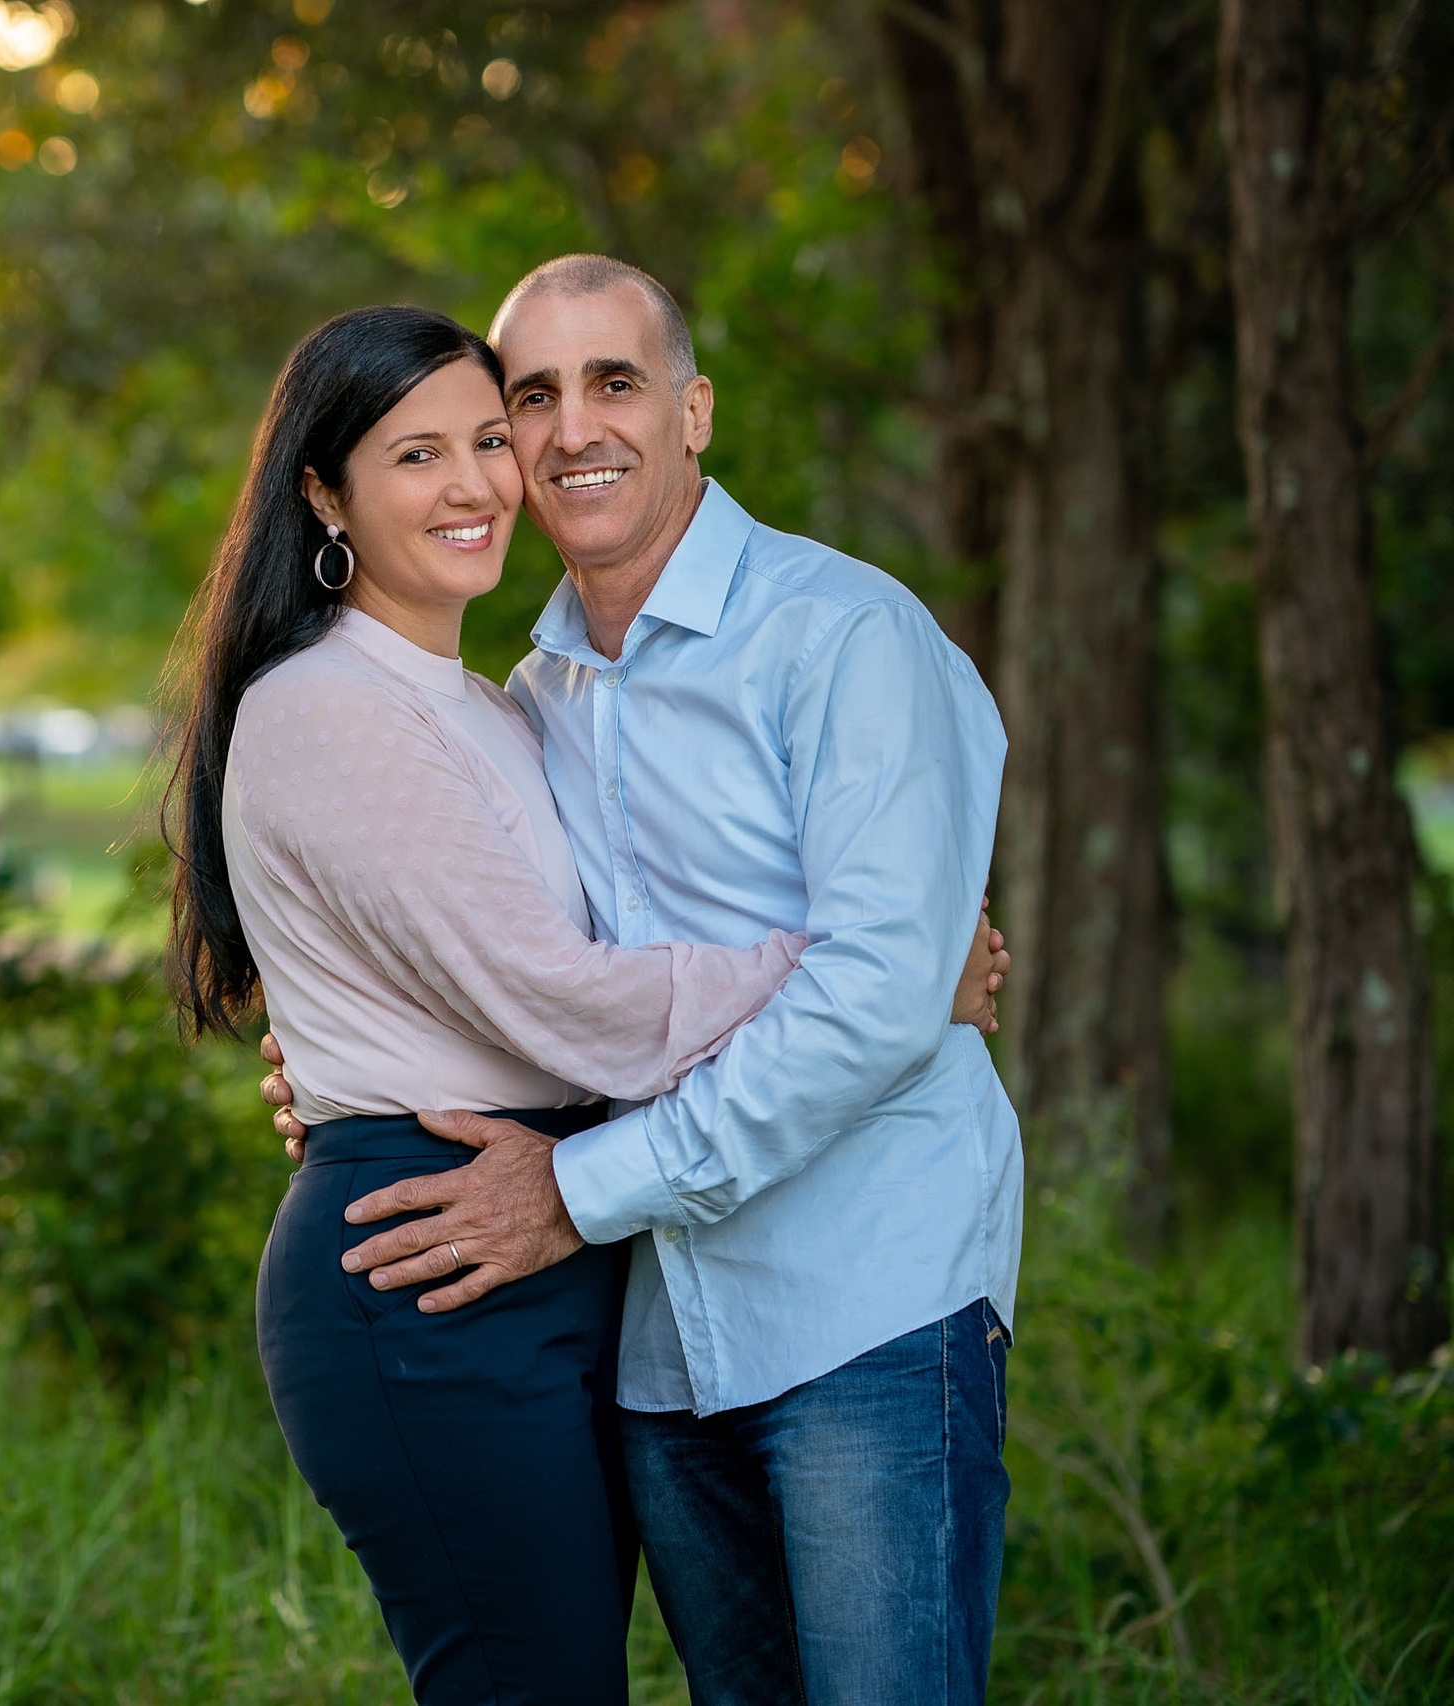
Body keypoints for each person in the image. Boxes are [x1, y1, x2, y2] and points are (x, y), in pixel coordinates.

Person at [163, 302, 1005, 1706]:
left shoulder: (583, 685)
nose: (498, 467)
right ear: (326, 492)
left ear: (695, 410)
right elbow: (568, 1002)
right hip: (498, 1264)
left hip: (749, 1272)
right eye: (424, 450)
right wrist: (879, 969)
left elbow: (518, 978)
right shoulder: (397, 701)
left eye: (490, 436)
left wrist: (900, 974)